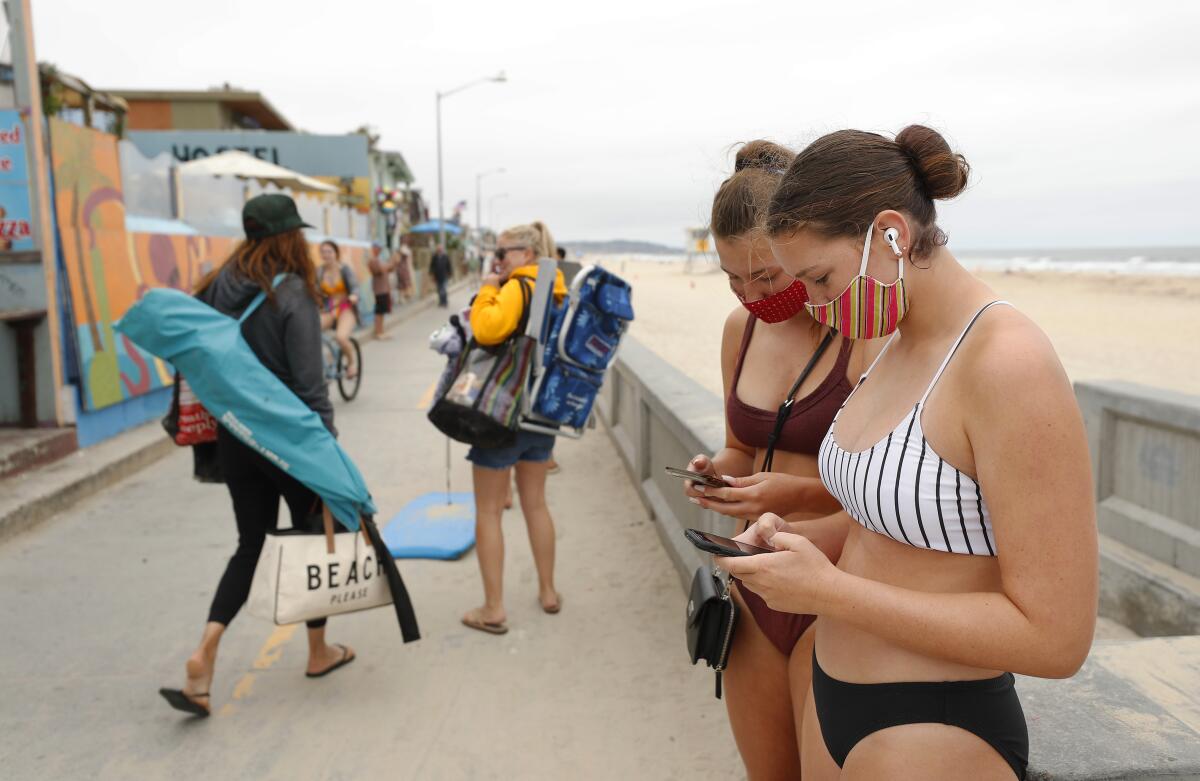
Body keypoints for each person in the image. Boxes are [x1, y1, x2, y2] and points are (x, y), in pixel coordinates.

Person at [718, 126, 1097, 780]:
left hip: (931, 726)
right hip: (834, 698)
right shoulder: (892, 343)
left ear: (891, 236)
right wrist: (794, 540)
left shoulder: (1008, 363)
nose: (810, 303)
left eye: (819, 278)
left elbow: (1056, 636)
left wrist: (832, 592)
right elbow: (893, 525)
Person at [681, 140, 877, 778]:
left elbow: (884, 487)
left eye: (765, 275)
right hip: (753, 577)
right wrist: (717, 471)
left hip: (837, 580)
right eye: (733, 278)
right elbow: (743, 443)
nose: (750, 293)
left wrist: (786, 496)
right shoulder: (743, 330)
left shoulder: (866, 332)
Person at [160, 194, 355, 718]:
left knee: (251, 545)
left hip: (236, 435)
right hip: (290, 442)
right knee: (315, 538)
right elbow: (312, 390)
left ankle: (205, 654)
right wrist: (329, 457)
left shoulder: (217, 287)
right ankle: (318, 653)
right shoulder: (293, 296)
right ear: (292, 236)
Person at [461, 221, 567, 635]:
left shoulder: (517, 287)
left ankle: (493, 608)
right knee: (536, 504)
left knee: (488, 511)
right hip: (541, 413)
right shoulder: (557, 288)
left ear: (526, 253)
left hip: (501, 414)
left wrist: (488, 287)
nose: (497, 261)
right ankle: (548, 591)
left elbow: (487, 328)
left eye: (502, 253)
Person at [317, 240, 360, 378]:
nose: (326, 255)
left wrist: (354, 295)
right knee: (310, 332)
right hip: (328, 309)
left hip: (345, 307)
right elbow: (312, 290)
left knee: (341, 337)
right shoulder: (319, 271)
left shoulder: (344, 269)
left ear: (336, 253)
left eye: (329, 251)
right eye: (323, 252)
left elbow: (355, 287)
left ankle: (352, 363)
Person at [367, 242, 396, 339]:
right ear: (374, 248)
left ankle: (381, 331)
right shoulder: (373, 260)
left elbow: (389, 269)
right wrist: (390, 263)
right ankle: (378, 332)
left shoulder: (380, 259)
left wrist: (391, 263)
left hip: (384, 289)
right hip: (379, 290)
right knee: (379, 311)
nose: (379, 250)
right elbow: (381, 270)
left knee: (382, 311)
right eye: (377, 248)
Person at [431, 243, 452, 308]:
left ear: (442, 249)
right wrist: (432, 274)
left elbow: (449, 265)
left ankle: (445, 302)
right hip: (437, 276)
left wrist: (450, 273)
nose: (439, 250)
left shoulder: (445, 256)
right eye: (438, 249)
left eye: (440, 249)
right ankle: (440, 301)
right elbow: (432, 266)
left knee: (444, 289)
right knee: (439, 289)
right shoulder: (434, 257)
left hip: (444, 275)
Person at [394, 237, 415, 304]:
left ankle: (403, 297)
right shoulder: (402, 249)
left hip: (404, 268)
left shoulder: (403, 249)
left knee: (404, 283)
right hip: (403, 268)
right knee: (403, 283)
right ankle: (403, 297)